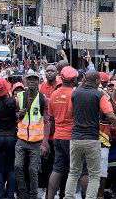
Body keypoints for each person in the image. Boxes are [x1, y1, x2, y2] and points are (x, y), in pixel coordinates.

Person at [64, 70, 116, 199]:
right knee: (94, 174)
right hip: (92, 139)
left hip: (76, 139)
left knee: (73, 172)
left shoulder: (75, 93)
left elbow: (69, 113)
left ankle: (68, 197)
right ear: (97, 81)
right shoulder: (99, 94)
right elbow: (111, 116)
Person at [45, 66, 78, 199]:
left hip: (57, 136)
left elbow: (51, 117)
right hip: (71, 136)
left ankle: (49, 197)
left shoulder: (54, 94)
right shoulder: (75, 95)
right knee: (74, 170)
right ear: (74, 80)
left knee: (57, 169)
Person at [16, 70, 49, 199]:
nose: (32, 81)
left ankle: (33, 195)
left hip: (36, 142)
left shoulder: (42, 98)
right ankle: (22, 194)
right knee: (18, 166)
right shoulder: (19, 97)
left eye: (34, 79)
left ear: (38, 81)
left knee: (33, 170)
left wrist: (45, 143)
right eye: (29, 79)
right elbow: (13, 117)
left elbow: (47, 121)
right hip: (21, 139)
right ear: (25, 81)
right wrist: (19, 114)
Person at [0, 77, 18, 199]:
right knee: (11, 168)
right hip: (11, 137)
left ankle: (0, 195)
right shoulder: (14, 102)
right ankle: (10, 195)